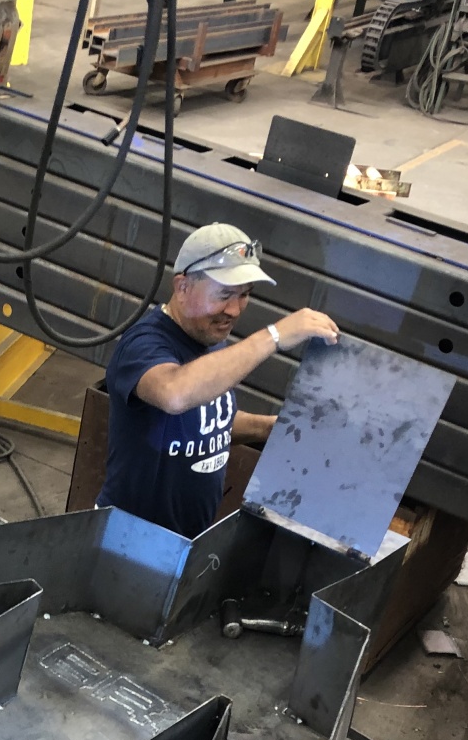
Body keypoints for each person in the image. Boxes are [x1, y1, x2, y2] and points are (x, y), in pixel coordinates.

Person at [96, 223, 342, 538]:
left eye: (245, 295)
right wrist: (274, 336)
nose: (234, 310)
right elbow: (175, 394)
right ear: (183, 287)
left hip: (189, 539)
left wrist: (272, 428)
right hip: (128, 537)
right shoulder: (142, 345)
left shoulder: (210, 338)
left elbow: (205, 422)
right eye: (224, 294)